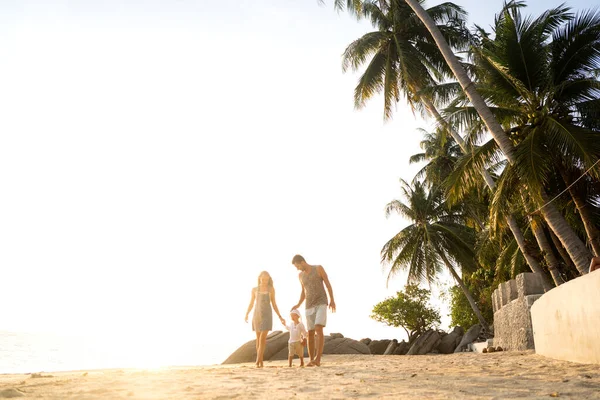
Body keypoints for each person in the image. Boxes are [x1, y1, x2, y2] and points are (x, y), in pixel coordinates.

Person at [290, 254, 336, 367]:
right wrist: (298, 304)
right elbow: (303, 292)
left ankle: (318, 359)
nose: (297, 269)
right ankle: (311, 360)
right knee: (310, 333)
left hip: (321, 303)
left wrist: (332, 300)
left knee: (318, 328)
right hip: (308, 305)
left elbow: (328, 284)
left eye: (297, 266)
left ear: (302, 262)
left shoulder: (318, 268)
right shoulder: (300, 276)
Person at [245, 271, 286, 368]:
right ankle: (261, 361)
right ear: (259, 278)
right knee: (258, 339)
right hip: (257, 315)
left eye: (267, 280)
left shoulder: (271, 289)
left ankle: (257, 360)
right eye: (263, 279)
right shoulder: (254, 289)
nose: (265, 281)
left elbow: (274, 304)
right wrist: (247, 313)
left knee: (263, 338)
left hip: (267, 315)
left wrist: (280, 316)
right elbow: (251, 303)